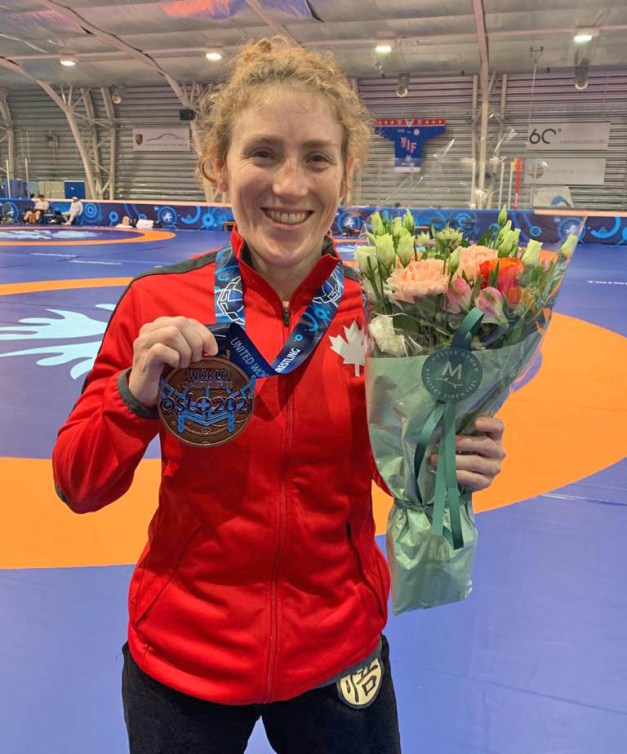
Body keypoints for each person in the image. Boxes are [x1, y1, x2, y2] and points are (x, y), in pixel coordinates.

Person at [52, 38, 506, 754]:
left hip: (338, 655)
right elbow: (78, 484)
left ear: (346, 172)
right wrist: (134, 397)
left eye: (316, 158)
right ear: (217, 165)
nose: (289, 185)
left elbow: (402, 474)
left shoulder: (391, 314)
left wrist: (450, 463)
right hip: (183, 660)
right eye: (262, 153)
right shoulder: (156, 304)